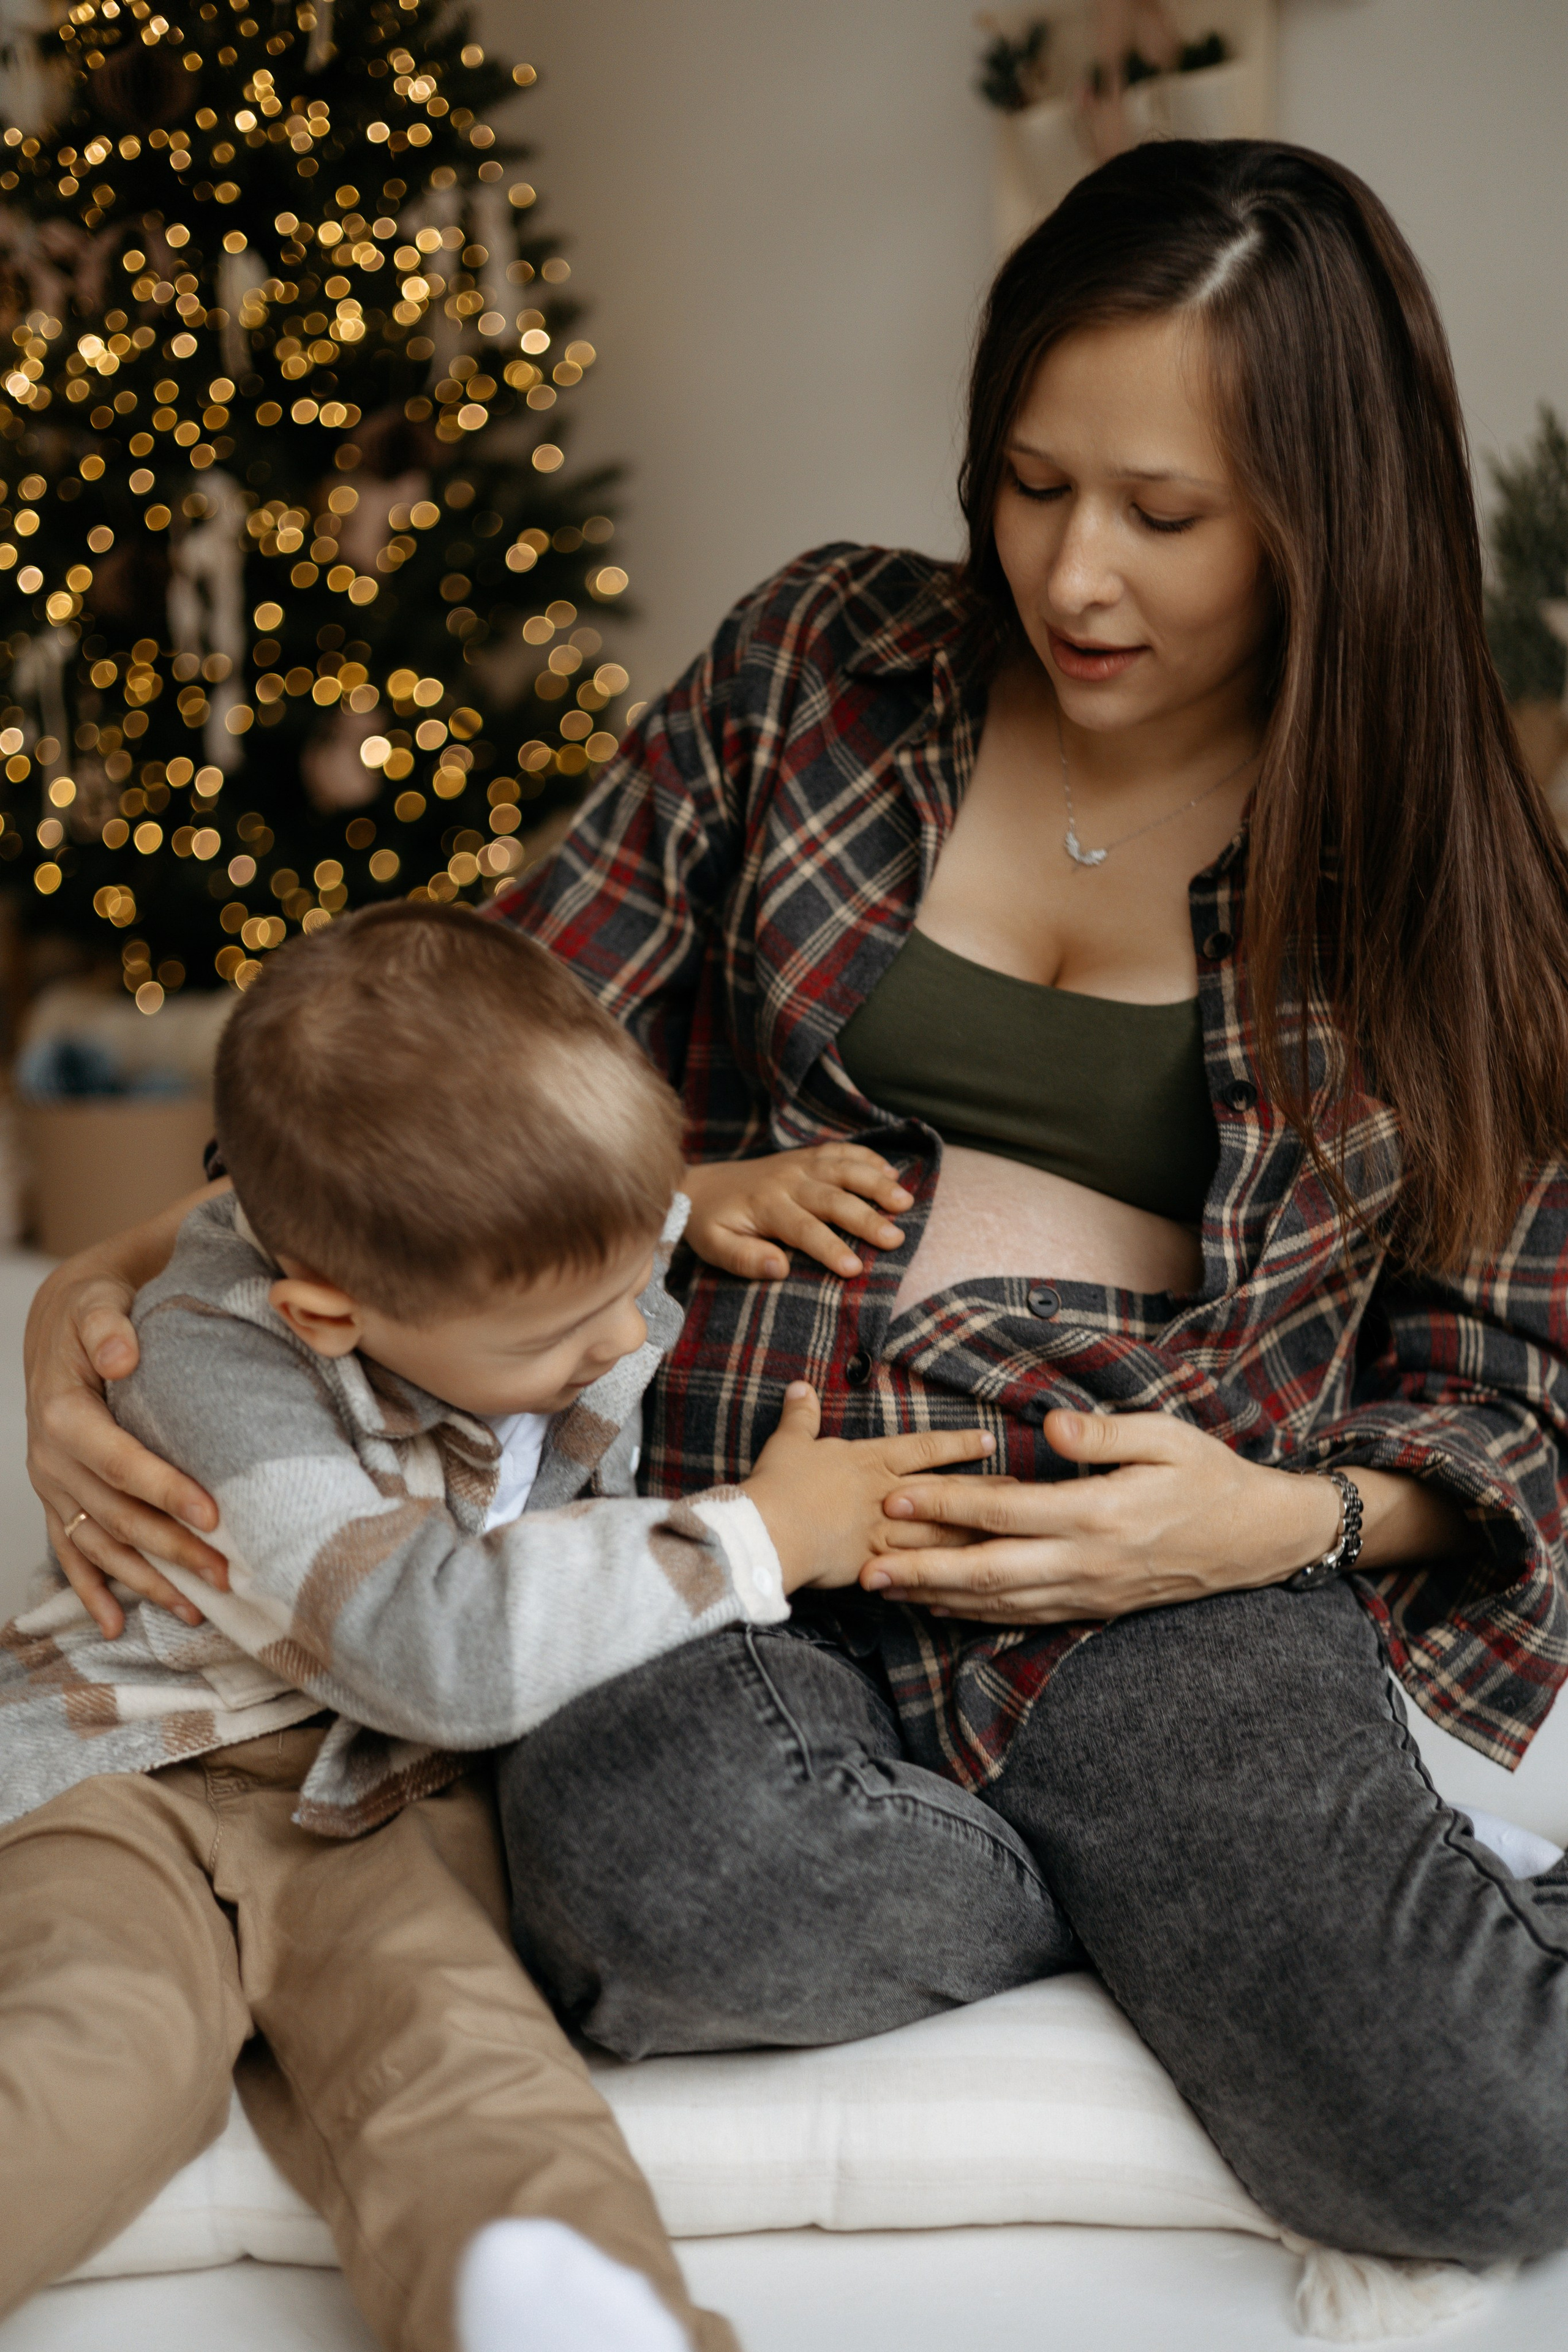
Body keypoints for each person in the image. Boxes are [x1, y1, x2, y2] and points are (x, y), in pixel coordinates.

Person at [25, 138, 1568, 2267]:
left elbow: (1513, 1389)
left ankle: (1255, 1896)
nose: (1076, 576)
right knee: (659, 1894)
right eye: (1032, 483)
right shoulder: (821, 665)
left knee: (1476, 2147)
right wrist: (91, 1301)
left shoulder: (1452, 875)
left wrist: (1275, 1526)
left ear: (1331, 515)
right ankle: (1148, 1913)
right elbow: (443, 1076)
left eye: (1166, 516)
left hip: (1153, 1581)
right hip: (721, 1524)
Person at [0, 903, 990, 2352]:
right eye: (555, 1336)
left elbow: (584, 1228)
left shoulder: (530, 1253)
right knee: (98, 2048)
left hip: (382, 1799)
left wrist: (687, 1200)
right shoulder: (212, 1370)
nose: (623, 1338)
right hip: (126, 1772)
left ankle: (563, 2314)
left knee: (468, 2065)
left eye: (630, 1278)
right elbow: (433, 1649)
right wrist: (758, 1537)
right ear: (327, 1315)